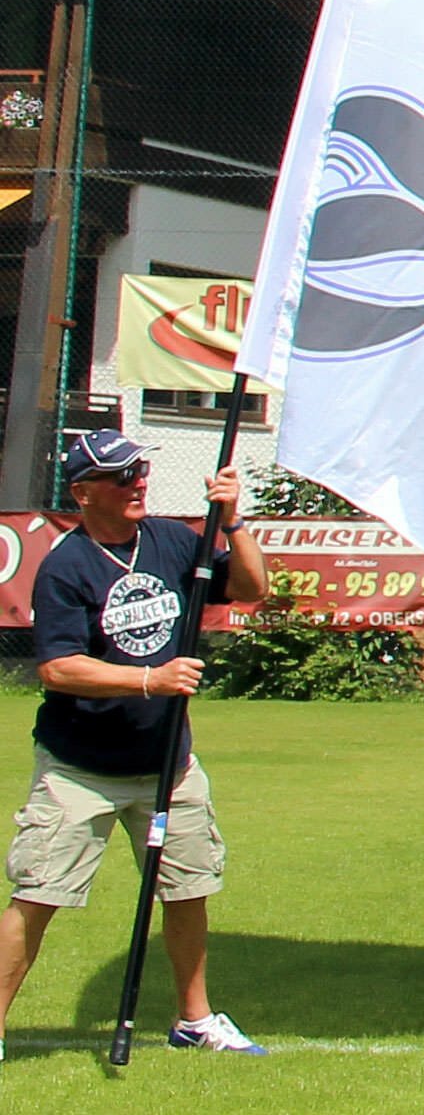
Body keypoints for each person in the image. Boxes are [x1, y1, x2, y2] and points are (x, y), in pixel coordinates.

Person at [0, 430, 269, 1064]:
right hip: (80, 770)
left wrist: (235, 523)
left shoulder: (173, 541)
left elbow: (251, 588)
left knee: (188, 888)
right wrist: (151, 678)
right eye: (121, 477)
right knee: (38, 896)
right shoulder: (67, 566)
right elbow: (58, 668)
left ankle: (194, 1019)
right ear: (83, 492)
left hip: (168, 765)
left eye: (140, 471)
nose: (137, 484)